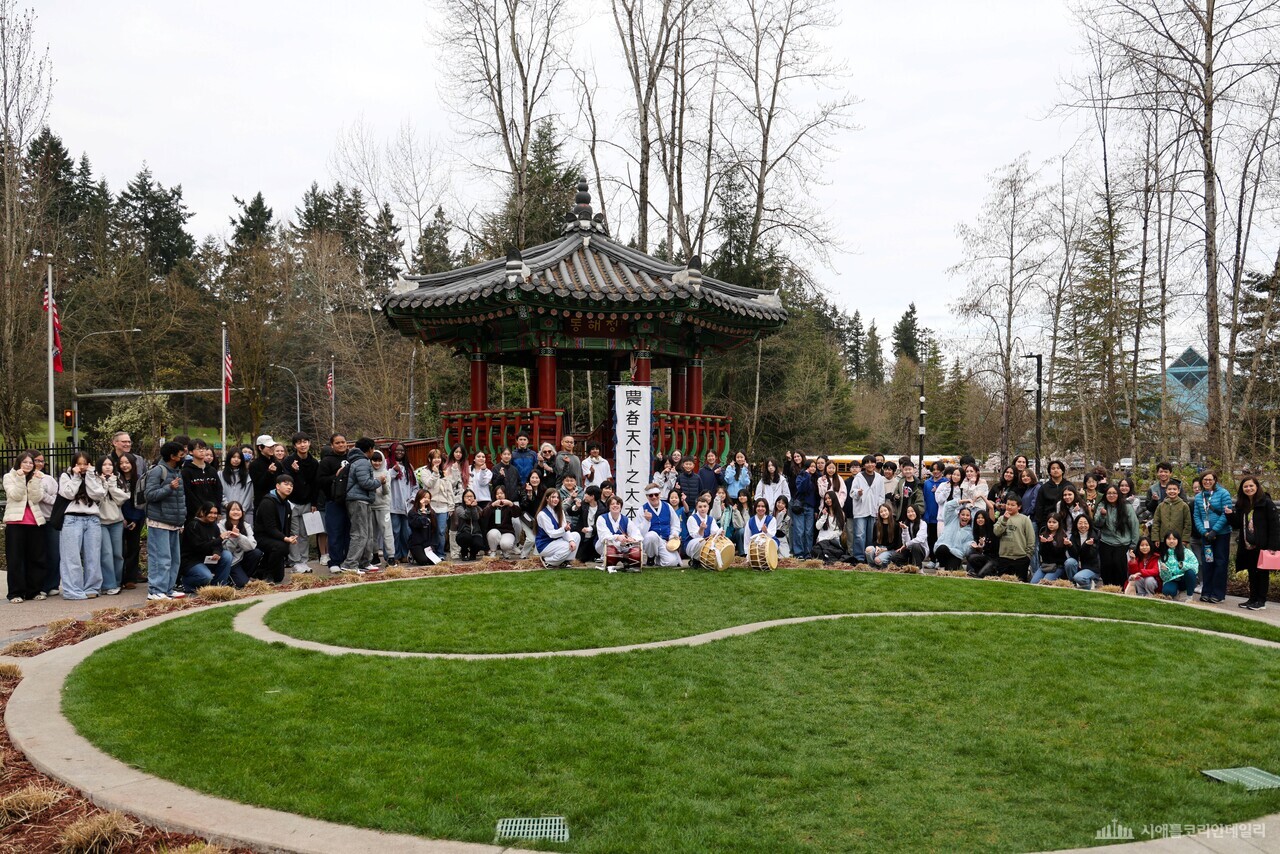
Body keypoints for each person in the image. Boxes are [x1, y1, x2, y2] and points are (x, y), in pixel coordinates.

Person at [59, 451, 106, 601]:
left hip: (92, 519)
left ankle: (92, 587)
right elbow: (67, 494)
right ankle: (72, 590)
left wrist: (90, 476)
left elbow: (98, 494)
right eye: (79, 463)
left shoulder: (95, 477)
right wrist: (76, 477)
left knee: (93, 555)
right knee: (71, 557)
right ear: (74, 464)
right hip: (72, 519)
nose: (82, 466)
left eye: (85, 463)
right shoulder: (66, 476)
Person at [143, 442, 188, 601]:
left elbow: (180, 498)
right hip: (158, 522)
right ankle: (155, 590)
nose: (183, 457)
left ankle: (167, 589)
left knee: (174, 559)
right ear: (172, 456)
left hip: (174, 522)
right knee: (160, 558)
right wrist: (169, 487)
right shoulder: (157, 471)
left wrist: (181, 519)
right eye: (181, 454)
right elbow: (150, 495)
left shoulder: (177, 471)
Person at [3, 452, 48, 603]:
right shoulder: (9, 477)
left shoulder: (37, 477)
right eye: (26, 462)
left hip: (34, 523)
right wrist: (21, 478)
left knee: (36, 558)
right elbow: (16, 495)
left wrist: (34, 481)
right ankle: (15, 593)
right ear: (19, 463)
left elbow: (36, 498)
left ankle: (34, 591)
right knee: (15, 559)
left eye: (31, 463)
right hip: (16, 523)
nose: (29, 465)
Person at [1229, 475, 1277, 610]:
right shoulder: (1242, 504)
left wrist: (1273, 546)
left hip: (1263, 545)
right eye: (1245, 486)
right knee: (1251, 572)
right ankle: (1252, 598)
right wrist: (1229, 515)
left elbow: (1274, 525)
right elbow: (1238, 524)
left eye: (1251, 486)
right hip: (1247, 545)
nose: (1248, 488)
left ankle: (1261, 601)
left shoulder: (1266, 503)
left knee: (1262, 573)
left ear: (1257, 487)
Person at [340, 437, 381, 573]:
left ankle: (364, 562)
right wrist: (379, 481)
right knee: (360, 534)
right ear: (369, 449)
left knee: (367, 533)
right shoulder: (362, 462)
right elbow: (366, 483)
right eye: (373, 448)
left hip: (363, 501)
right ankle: (350, 564)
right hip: (358, 501)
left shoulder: (355, 460)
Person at [1192, 470, 1233, 603]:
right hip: (1206, 536)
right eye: (1205, 480)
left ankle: (1218, 593)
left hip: (1221, 534)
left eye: (1210, 479)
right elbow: (1197, 516)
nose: (1207, 482)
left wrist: (1215, 531)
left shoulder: (1223, 493)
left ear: (1215, 480)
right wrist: (1204, 532)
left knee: (1220, 563)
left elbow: (1226, 514)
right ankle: (1206, 591)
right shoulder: (1199, 497)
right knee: (1208, 562)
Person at [283, 433, 319, 573]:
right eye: (299, 443)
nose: (302, 445)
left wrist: (314, 502)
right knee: (294, 533)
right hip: (292, 502)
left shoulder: (314, 462)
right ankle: (295, 561)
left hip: (308, 502)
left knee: (305, 534)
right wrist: (295, 471)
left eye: (305, 441)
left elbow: (315, 484)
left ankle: (304, 561)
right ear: (294, 446)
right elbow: (286, 482)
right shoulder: (289, 461)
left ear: (309, 443)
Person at [95, 456, 130, 596]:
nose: (108, 467)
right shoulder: (95, 480)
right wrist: (104, 484)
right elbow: (97, 498)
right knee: (106, 553)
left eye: (110, 464)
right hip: (101, 521)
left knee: (117, 554)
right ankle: (108, 584)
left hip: (116, 521)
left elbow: (123, 498)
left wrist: (111, 485)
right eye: (104, 465)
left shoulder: (118, 479)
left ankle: (117, 582)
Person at [179, 502, 232, 593]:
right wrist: (220, 538)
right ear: (203, 512)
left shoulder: (214, 526)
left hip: (207, 559)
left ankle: (218, 587)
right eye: (210, 512)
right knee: (206, 577)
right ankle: (185, 583)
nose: (213, 515)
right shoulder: (193, 525)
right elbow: (199, 547)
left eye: (215, 513)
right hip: (191, 561)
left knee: (227, 555)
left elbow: (218, 545)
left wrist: (217, 552)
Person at [316, 434, 351, 571]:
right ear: (332, 445)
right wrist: (335, 477)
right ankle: (335, 562)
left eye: (343, 442)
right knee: (335, 532)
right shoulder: (326, 461)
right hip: (333, 502)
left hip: (351, 502)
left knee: (350, 533)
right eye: (337, 443)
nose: (341, 445)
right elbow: (320, 481)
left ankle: (349, 561)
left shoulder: (352, 459)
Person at [1093, 484, 1139, 587]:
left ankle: (1120, 589)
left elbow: (1134, 525)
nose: (1111, 495)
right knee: (1106, 567)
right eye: (1109, 493)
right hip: (1106, 541)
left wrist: (1133, 545)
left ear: (1118, 494)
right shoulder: (1102, 505)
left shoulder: (1126, 506)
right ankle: (1108, 588)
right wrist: (1103, 515)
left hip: (1122, 542)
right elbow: (1097, 524)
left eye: (1114, 493)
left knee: (1119, 566)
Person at [254, 474, 297, 583]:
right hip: (262, 537)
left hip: (276, 538)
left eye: (291, 485)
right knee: (281, 546)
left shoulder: (287, 504)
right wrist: (285, 539)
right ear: (277, 486)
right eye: (286, 484)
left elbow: (286, 526)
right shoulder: (268, 502)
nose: (289, 487)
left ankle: (260, 572)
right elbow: (270, 528)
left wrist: (289, 537)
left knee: (279, 578)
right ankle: (267, 574)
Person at [416, 450, 454, 557]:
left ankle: (440, 553)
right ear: (429, 459)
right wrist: (435, 473)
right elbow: (428, 484)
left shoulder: (445, 472)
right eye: (434, 457)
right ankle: (429, 554)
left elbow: (449, 491)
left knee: (441, 531)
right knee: (429, 530)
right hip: (430, 505)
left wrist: (451, 506)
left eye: (439, 457)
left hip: (443, 506)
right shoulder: (425, 471)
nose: (437, 460)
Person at [115, 451, 145, 589]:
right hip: (118, 517)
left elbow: (142, 501)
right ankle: (119, 578)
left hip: (135, 518)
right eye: (121, 463)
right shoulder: (115, 480)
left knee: (133, 548)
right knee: (119, 549)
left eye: (127, 462)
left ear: (133, 464)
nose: (124, 465)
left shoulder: (139, 480)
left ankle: (131, 578)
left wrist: (135, 519)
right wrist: (122, 518)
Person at [845, 455, 884, 562]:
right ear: (864, 465)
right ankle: (859, 558)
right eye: (867, 463)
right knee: (859, 535)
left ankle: (869, 557)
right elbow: (852, 493)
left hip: (874, 511)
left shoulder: (879, 478)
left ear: (875, 464)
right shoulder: (858, 477)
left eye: (872, 462)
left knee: (871, 536)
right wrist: (858, 492)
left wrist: (879, 509)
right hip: (860, 511)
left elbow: (881, 495)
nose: (870, 465)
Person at [990, 494, 1034, 581]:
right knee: (1003, 583)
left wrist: (1028, 555)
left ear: (1019, 507)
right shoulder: (1001, 518)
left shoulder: (1024, 519)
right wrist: (1004, 520)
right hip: (1004, 557)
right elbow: (996, 532)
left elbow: (1031, 538)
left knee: (1020, 583)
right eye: (1008, 504)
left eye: (1012, 505)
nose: (1009, 507)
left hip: (1020, 558)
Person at [219, 501, 262, 587]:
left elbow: (252, 546)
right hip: (231, 562)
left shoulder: (246, 525)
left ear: (242, 513)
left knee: (257, 552)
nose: (235, 512)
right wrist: (233, 538)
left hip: (243, 558)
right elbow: (226, 550)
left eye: (238, 510)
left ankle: (245, 577)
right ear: (228, 512)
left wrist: (239, 536)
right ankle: (237, 578)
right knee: (242, 585)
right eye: (232, 510)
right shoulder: (221, 525)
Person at [639, 483, 682, 567]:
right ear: (647, 496)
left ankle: (659, 558)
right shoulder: (642, 509)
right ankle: (650, 557)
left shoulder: (668, 506)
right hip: (650, 541)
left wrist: (673, 535)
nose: (654, 497)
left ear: (659, 495)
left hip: (665, 541)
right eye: (651, 495)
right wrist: (646, 521)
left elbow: (675, 524)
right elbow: (640, 532)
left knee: (671, 562)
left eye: (656, 494)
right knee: (651, 535)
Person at [535, 488, 580, 567]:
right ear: (547, 498)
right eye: (553, 497)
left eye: (557, 497)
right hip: (545, 544)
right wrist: (564, 529)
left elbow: (564, 530)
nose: (556, 499)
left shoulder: (560, 511)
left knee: (576, 536)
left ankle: (565, 561)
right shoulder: (542, 514)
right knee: (567, 546)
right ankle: (548, 561)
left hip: (557, 541)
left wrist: (571, 540)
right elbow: (551, 534)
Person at [181, 441, 222, 521]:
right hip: (194, 515)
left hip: (212, 514)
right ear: (191, 452)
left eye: (203, 448)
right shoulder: (186, 472)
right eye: (198, 449)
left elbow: (218, 490)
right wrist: (200, 510)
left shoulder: (212, 470)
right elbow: (188, 494)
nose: (202, 451)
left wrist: (217, 509)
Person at [386, 442, 413, 564]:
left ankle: (404, 554)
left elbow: (415, 486)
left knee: (406, 532)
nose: (400, 452)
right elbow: (384, 480)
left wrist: (412, 498)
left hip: (406, 505)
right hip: (393, 505)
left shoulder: (408, 467)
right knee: (394, 531)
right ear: (392, 451)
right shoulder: (387, 465)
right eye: (397, 450)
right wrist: (393, 471)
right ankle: (393, 556)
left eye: (402, 450)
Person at [596, 494, 639, 568]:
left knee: (628, 546)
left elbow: (636, 533)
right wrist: (617, 537)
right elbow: (604, 536)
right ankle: (609, 558)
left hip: (622, 546)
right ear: (609, 507)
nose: (615, 506)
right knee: (606, 542)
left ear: (621, 507)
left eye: (618, 504)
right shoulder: (601, 518)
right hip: (603, 546)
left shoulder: (626, 519)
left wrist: (632, 539)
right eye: (612, 504)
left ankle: (624, 559)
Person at [932, 496, 973, 572]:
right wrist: (965, 500)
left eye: (967, 515)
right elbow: (948, 506)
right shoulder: (951, 519)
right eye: (963, 514)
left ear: (970, 518)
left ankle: (957, 565)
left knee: (950, 570)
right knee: (942, 548)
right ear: (958, 515)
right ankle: (941, 565)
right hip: (944, 549)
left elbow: (966, 546)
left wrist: (970, 545)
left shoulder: (970, 530)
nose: (965, 517)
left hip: (956, 554)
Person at [370, 450, 395, 566]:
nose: (377, 463)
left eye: (379, 460)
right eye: (374, 460)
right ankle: (374, 556)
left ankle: (391, 557)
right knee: (372, 533)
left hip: (383, 506)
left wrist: (383, 483)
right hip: (370, 506)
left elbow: (386, 492)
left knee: (387, 531)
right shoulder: (367, 472)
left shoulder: (386, 473)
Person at [219, 447, 255, 528]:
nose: (236, 460)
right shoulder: (220, 475)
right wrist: (228, 506)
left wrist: (241, 510)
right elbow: (219, 492)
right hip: (225, 513)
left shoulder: (247, 476)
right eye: (233, 457)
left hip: (245, 514)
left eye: (239, 457)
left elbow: (249, 496)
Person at [791, 458, 819, 559]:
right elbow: (801, 488)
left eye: (814, 467)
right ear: (807, 467)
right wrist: (807, 475)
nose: (813, 468)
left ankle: (808, 553)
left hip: (810, 507)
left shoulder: (816, 478)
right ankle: (799, 553)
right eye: (811, 466)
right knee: (799, 531)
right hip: (800, 507)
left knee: (809, 532)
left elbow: (817, 496)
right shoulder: (801, 476)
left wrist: (816, 510)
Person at [1159, 532, 1200, 601]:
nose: (1171, 541)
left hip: (1185, 579)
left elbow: (1195, 567)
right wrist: (1165, 571)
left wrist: (1183, 565)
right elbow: (1164, 578)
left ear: (1178, 540)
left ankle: (1189, 596)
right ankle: (1177, 592)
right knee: (1167, 592)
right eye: (1169, 539)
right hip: (1172, 579)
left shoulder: (1187, 552)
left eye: (1174, 539)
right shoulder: (1163, 555)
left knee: (1190, 572)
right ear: (1165, 540)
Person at [1151, 479, 1191, 547]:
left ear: (1178, 491)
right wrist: (1156, 538)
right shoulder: (1161, 506)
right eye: (1169, 489)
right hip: (1163, 539)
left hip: (1178, 539)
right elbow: (1156, 523)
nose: (1172, 491)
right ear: (1166, 491)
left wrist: (1185, 539)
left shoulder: (1184, 506)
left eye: (1174, 489)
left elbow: (1188, 524)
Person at [483, 485, 519, 559]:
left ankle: (505, 551)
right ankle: (493, 551)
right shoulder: (491, 504)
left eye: (502, 493)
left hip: (507, 531)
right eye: (497, 493)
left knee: (506, 544)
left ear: (505, 494)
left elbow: (517, 514)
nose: (499, 495)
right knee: (493, 533)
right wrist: (492, 505)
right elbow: (483, 515)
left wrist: (511, 504)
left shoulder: (509, 505)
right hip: (495, 531)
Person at [1066, 515, 1101, 590]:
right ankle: (1073, 585)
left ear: (1089, 524)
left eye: (1085, 523)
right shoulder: (1074, 535)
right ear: (1076, 524)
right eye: (1080, 523)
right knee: (1069, 562)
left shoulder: (1094, 536)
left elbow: (1091, 555)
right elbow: (1074, 555)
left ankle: (1089, 587)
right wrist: (1070, 545)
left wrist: (1086, 545)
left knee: (1079, 577)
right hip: (1079, 566)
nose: (1083, 525)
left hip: (1091, 568)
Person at [1031, 515, 1069, 584]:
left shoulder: (1063, 536)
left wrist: (1050, 543)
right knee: (1033, 582)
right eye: (1049, 522)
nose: (1051, 524)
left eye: (1054, 522)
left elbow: (1059, 554)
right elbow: (1042, 554)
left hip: (1057, 566)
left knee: (1045, 582)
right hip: (1045, 565)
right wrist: (1044, 544)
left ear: (1059, 523)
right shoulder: (1043, 534)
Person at [684, 495, 721, 565]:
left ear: (708, 507)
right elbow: (696, 537)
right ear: (696, 508)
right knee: (701, 541)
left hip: (706, 544)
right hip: (691, 545)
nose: (702, 509)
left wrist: (720, 533)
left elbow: (715, 531)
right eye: (700, 507)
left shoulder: (711, 519)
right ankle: (695, 560)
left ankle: (704, 561)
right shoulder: (692, 518)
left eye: (705, 506)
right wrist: (701, 529)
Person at [248, 434, 282, 508]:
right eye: (269, 447)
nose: (272, 448)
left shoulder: (277, 464)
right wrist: (269, 473)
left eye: (273, 446)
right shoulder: (254, 465)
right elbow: (258, 485)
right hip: (262, 503)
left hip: (277, 501)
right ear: (260, 447)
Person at [406, 489, 437, 566]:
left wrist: (433, 545)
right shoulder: (412, 512)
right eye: (424, 497)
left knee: (432, 562)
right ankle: (412, 553)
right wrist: (423, 511)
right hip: (417, 543)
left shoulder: (431, 512)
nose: (426, 500)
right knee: (423, 561)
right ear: (419, 498)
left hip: (428, 543)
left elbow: (435, 529)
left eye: (428, 498)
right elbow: (418, 524)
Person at [966, 509, 1001, 578]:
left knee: (980, 576)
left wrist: (982, 497)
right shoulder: (977, 532)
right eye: (978, 518)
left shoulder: (991, 528)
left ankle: (989, 572)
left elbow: (991, 507)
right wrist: (979, 547)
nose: (980, 519)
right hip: (985, 557)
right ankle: (980, 571)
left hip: (995, 559)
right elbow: (982, 550)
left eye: (982, 518)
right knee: (971, 557)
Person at [517, 469, 544, 559]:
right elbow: (523, 507)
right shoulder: (523, 489)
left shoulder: (544, 490)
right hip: (526, 517)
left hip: (539, 519)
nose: (535, 480)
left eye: (537, 478)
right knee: (531, 539)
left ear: (540, 479)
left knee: (540, 537)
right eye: (532, 477)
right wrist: (529, 495)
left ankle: (536, 556)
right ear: (529, 479)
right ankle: (523, 555)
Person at [453, 489, 486, 561]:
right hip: (463, 533)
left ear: (474, 498)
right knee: (466, 537)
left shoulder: (478, 508)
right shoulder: (459, 508)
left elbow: (475, 517)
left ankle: (473, 553)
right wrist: (468, 507)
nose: (469, 498)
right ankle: (464, 552)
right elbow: (465, 516)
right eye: (467, 496)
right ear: (463, 498)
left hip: (476, 533)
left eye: (471, 496)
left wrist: (473, 507)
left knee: (479, 543)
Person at [743, 497, 778, 564]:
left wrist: (766, 532)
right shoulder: (750, 521)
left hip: (770, 543)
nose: (760, 508)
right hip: (755, 545)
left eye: (763, 506)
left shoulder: (771, 519)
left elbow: (772, 535)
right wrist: (748, 553)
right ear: (755, 508)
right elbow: (747, 538)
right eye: (758, 506)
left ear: (766, 508)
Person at [1034, 460, 1068, 529]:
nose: (1055, 470)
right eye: (1053, 468)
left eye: (1058, 468)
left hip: (1066, 522)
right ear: (1049, 472)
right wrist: (1041, 525)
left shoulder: (1068, 485)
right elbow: (1039, 507)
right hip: (1048, 523)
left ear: (1062, 471)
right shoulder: (1044, 488)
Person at [922, 461, 947, 552]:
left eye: (938, 469)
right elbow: (924, 498)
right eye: (934, 469)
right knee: (931, 537)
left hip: (941, 516)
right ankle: (932, 558)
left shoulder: (946, 483)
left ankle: (939, 559)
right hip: (930, 515)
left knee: (940, 538)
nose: (936, 471)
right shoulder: (927, 483)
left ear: (942, 470)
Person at [576, 485, 602, 562]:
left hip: (595, 538)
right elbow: (571, 512)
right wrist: (576, 507)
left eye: (586, 494)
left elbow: (601, 525)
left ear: (592, 496)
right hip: (583, 537)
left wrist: (591, 528)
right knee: (579, 558)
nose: (585, 496)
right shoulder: (583, 504)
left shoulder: (602, 508)